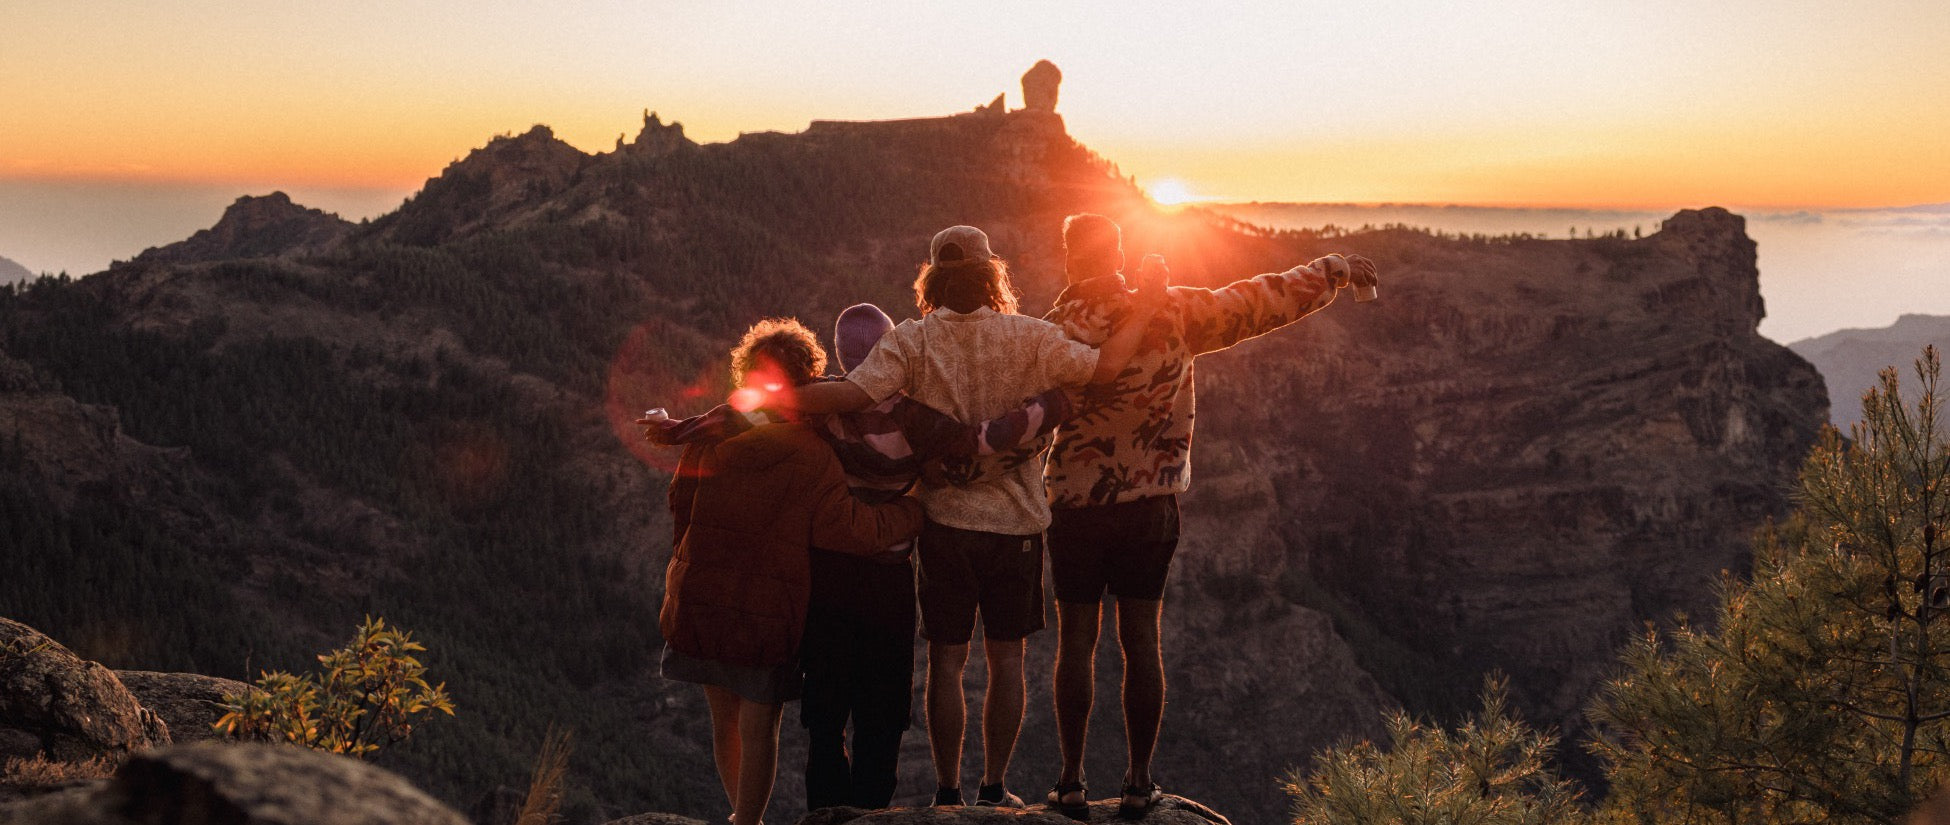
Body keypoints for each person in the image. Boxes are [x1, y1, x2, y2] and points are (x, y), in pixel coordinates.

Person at [648, 302, 1080, 811]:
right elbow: (979, 440)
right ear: (891, 353)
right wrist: (1053, 406)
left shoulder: (817, 409)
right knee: (883, 710)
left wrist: (680, 429)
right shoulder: (912, 416)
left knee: (826, 712)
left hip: (826, 579)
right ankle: (873, 812)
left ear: (841, 357)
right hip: (886, 578)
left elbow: (749, 411)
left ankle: (824, 812)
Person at [789, 225, 1163, 808]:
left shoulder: (911, 341)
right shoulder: (1030, 336)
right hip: (1017, 527)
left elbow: (852, 395)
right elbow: (1108, 367)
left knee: (947, 662)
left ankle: (947, 792)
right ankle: (993, 788)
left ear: (932, 278)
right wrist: (1147, 303)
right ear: (992, 274)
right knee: (1006, 661)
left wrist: (767, 401)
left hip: (945, 526)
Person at [1039, 213, 1377, 818]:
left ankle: (1069, 783)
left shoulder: (1055, 328)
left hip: (1076, 506)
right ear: (1117, 254)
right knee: (1141, 642)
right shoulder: (1174, 310)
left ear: (1069, 259)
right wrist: (1333, 270)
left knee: (1077, 644)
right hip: (1149, 506)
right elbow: (1258, 300)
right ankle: (1139, 784)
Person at [656, 318, 926, 825]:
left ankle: (742, 818)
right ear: (809, 378)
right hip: (768, 611)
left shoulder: (708, 439)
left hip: (702, 596)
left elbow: (679, 507)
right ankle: (748, 819)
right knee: (760, 726)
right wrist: (915, 511)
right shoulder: (811, 453)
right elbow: (850, 530)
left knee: (723, 721)